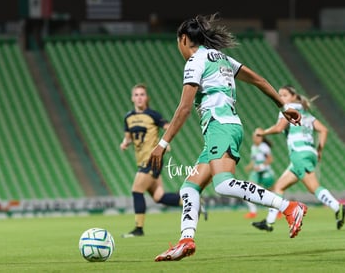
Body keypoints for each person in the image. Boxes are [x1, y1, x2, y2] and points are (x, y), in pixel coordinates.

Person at [148, 13, 308, 262]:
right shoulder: (222, 58)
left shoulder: (194, 62)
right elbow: (259, 80)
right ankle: (186, 240)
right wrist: (283, 107)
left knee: (223, 184)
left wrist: (162, 143)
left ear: (183, 39)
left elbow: (184, 108)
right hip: (225, 127)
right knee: (189, 188)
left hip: (220, 127)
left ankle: (288, 207)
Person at [252, 85, 345, 232]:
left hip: (299, 153)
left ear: (293, 97)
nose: (281, 97)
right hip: (309, 153)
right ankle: (269, 222)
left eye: (284, 95)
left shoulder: (288, 108)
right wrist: (319, 150)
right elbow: (323, 130)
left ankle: (337, 206)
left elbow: (279, 128)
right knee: (279, 187)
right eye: (280, 95)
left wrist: (262, 133)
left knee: (313, 188)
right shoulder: (307, 114)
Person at [120, 83, 181, 238]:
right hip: (141, 161)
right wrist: (125, 143)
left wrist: (164, 143)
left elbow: (169, 127)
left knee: (136, 191)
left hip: (152, 160)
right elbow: (128, 137)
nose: (139, 97)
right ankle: (190, 201)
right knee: (159, 197)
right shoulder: (128, 117)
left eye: (142, 94)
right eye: (136, 95)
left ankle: (138, 229)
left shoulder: (153, 115)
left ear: (147, 98)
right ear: (132, 98)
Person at [243, 130, 275, 219]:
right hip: (256, 172)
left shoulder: (264, 147)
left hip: (265, 171)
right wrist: (250, 166)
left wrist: (261, 166)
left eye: (258, 136)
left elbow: (270, 159)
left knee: (271, 191)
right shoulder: (253, 147)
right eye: (255, 136)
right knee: (248, 188)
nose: (256, 138)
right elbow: (253, 161)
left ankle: (277, 210)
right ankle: (253, 212)